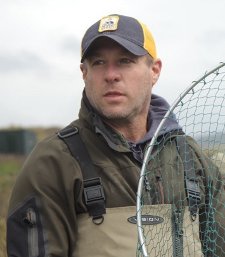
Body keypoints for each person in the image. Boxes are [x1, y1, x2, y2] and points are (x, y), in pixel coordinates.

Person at [6, 14, 225, 257]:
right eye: (98, 62)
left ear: (155, 70)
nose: (111, 74)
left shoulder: (191, 159)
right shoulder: (52, 163)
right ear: (84, 73)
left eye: (125, 61)